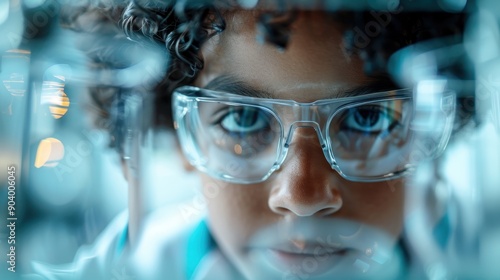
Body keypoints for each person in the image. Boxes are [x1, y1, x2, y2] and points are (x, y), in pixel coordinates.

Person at [30, 0, 471, 279]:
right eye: (242, 119)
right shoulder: (133, 265)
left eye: (369, 117)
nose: (301, 198)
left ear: (434, 125)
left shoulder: (478, 259)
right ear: (180, 135)